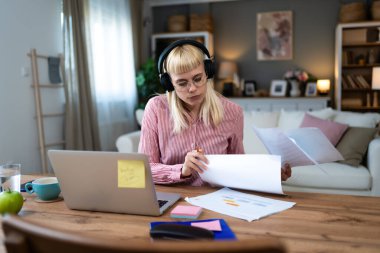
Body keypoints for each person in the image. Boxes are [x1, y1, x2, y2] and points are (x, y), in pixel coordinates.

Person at [138, 40, 291, 186]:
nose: (192, 88)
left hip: (216, 199)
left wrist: (269, 175)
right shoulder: (156, 109)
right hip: (173, 198)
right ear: (169, 83)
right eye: (182, 83)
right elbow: (144, 169)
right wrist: (181, 170)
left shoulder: (233, 112)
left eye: (197, 79)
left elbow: (238, 167)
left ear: (207, 73)